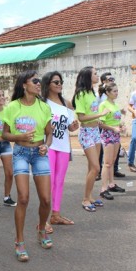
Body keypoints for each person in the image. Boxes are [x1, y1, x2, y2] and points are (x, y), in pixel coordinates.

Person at [2, 70, 53, 262]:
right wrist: (19, 137)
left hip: (39, 154)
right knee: (23, 198)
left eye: (39, 82)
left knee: (46, 200)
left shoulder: (44, 107)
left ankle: (41, 229)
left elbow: (50, 133)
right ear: (24, 85)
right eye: (35, 81)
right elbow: (5, 135)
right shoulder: (12, 107)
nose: (39, 84)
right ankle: (19, 241)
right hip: (21, 153)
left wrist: (46, 146)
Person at [41, 71, 79, 226]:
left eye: (60, 82)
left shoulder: (66, 103)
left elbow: (69, 127)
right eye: (56, 82)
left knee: (59, 181)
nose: (59, 84)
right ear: (48, 84)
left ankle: (55, 215)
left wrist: (74, 126)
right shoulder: (42, 103)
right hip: (48, 146)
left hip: (63, 147)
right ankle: (45, 218)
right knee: (48, 182)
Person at [72, 66, 110, 212]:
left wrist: (97, 120)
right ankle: (85, 199)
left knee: (91, 167)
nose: (97, 75)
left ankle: (90, 196)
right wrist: (99, 115)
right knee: (96, 167)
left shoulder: (91, 92)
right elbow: (81, 117)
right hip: (87, 132)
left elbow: (91, 112)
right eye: (95, 73)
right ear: (88, 76)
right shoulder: (81, 94)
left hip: (95, 131)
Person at [98, 83, 126, 200]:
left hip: (116, 134)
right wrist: (113, 128)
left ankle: (111, 184)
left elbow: (115, 120)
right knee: (107, 163)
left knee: (113, 161)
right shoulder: (104, 104)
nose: (116, 93)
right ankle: (103, 189)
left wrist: (121, 126)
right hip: (108, 135)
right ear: (107, 93)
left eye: (117, 90)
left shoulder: (114, 104)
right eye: (114, 91)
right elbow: (100, 123)